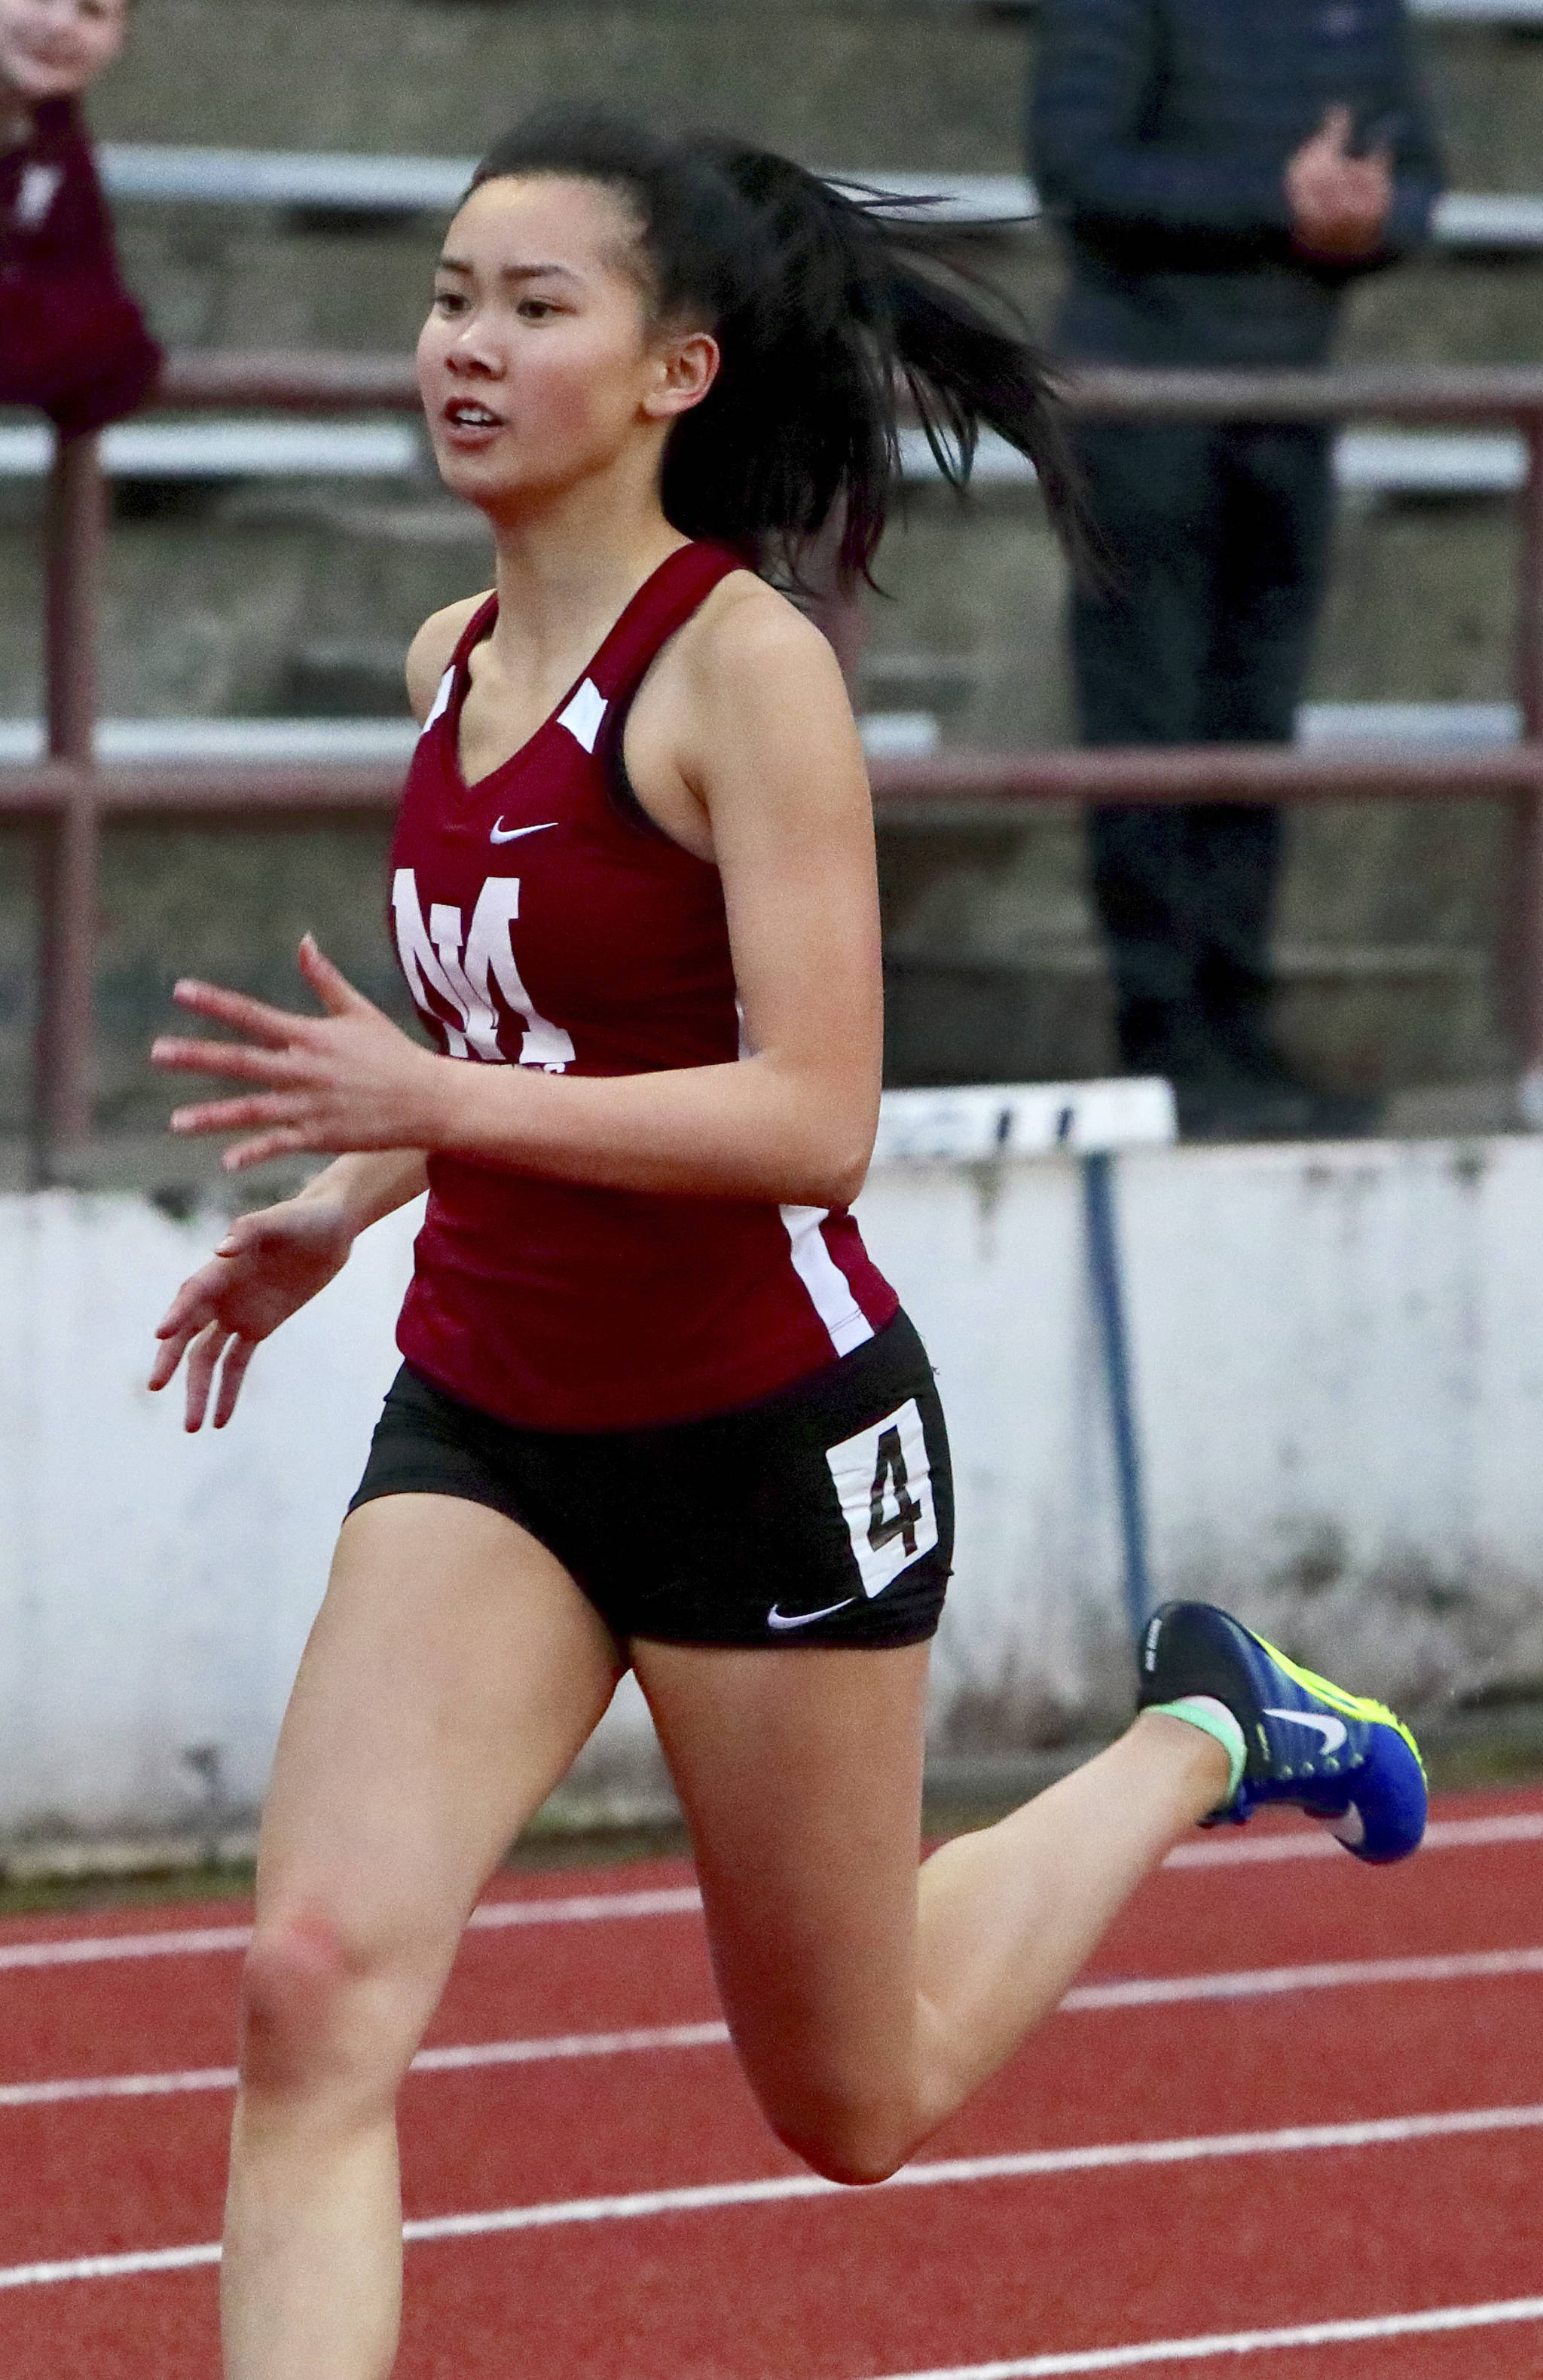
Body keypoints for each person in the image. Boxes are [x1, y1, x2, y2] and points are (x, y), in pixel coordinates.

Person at [147, 108, 1428, 2380]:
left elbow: (806, 1118)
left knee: (854, 2094)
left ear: (675, 372)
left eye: (536, 307)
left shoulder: (743, 673)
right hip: (494, 1419)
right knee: (309, 1980)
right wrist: (344, 1205)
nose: (463, 344)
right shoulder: (450, 648)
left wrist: (431, 1107)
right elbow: (512, 1028)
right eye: (450, 294)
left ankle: (1205, 1726)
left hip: (767, 1431)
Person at [1030, 0, 1444, 1137]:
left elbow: (1417, 176)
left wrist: (1373, 215)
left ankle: (1238, 1031)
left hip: (1287, 406)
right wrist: (1279, 204)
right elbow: (1077, 166)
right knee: (1148, 721)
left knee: (1254, 729)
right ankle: (1161, 1041)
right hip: (1143, 404)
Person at [0, 0, 160, 436]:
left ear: (120, 41)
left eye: (92, 12)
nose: (59, 25)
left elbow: (96, 289)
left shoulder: (54, 131)